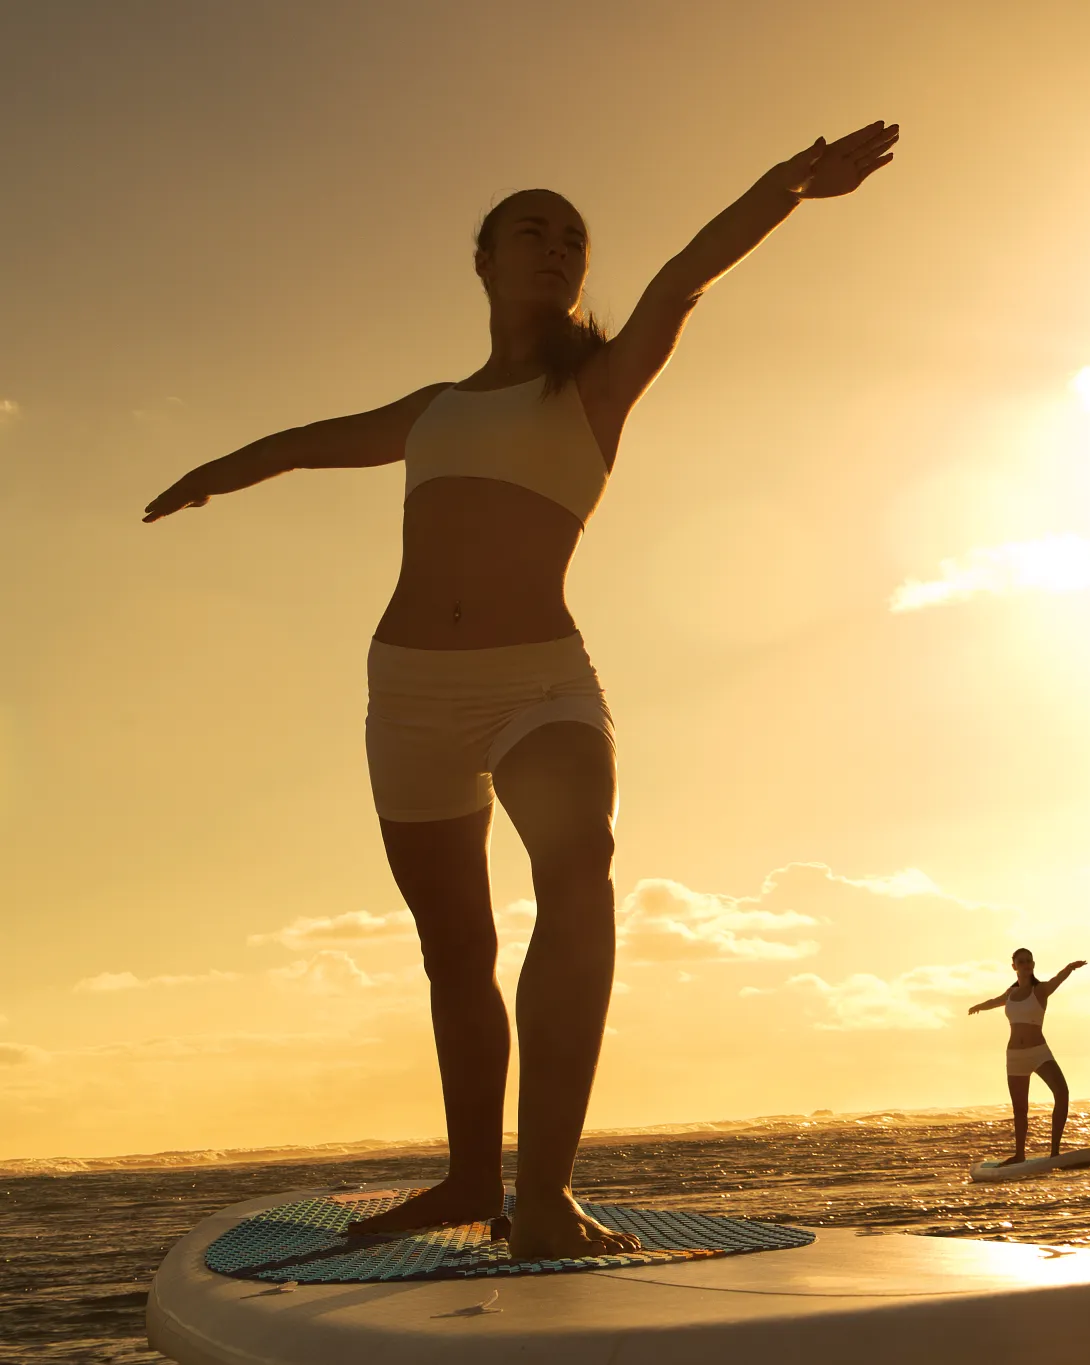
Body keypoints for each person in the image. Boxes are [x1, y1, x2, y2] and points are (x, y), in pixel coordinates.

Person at [142, 122, 899, 1258]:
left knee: (576, 866)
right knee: (454, 949)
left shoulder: (596, 384)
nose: (553, 248)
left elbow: (684, 277)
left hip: (538, 683)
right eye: (528, 231)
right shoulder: (433, 408)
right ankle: (465, 1182)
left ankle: (542, 1196)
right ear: (484, 262)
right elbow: (307, 440)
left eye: (571, 238)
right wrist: (211, 474)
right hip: (405, 695)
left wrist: (788, 184)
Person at [968, 949, 1086, 1165]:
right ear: (1014, 966)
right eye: (1020, 962)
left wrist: (1069, 968)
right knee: (1020, 1109)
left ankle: (1055, 1152)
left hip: (1039, 1051)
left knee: (1062, 1092)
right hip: (1015, 1056)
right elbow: (995, 1001)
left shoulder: (1040, 990)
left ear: (1033, 964)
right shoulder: (1011, 994)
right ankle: (1020, 1154)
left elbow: (1056, 980)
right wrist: (978, 1007)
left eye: (1028, 961)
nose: (1025, 964)